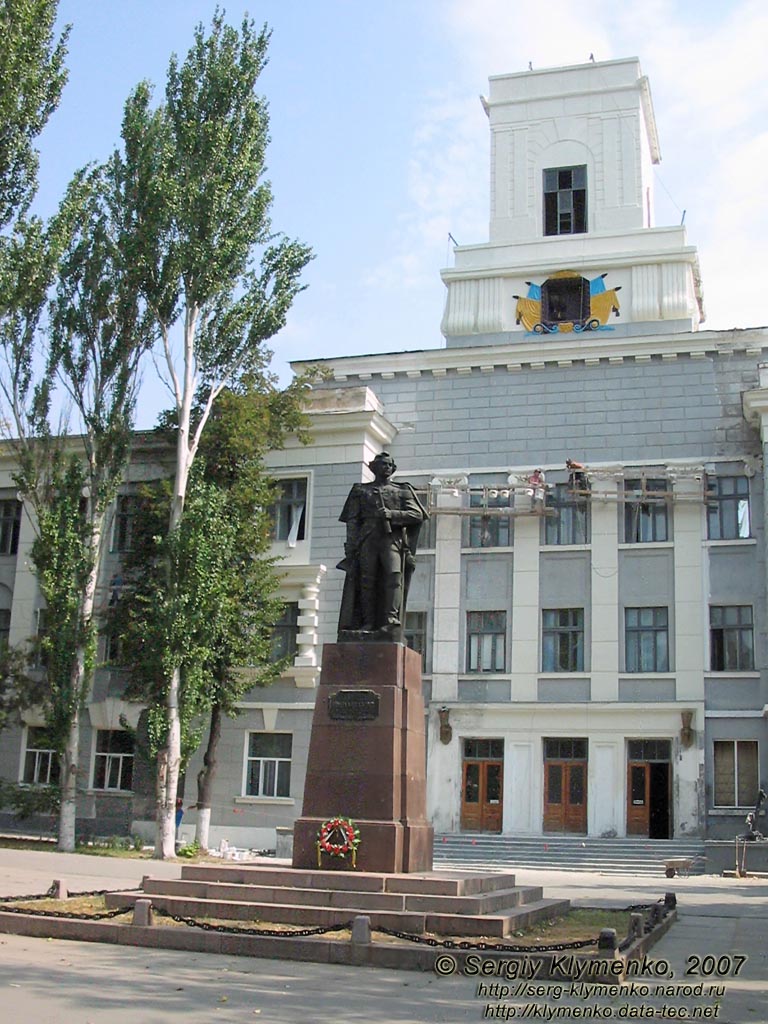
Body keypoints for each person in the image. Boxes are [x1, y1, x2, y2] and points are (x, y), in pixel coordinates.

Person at [337, 452, 428, 639]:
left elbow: (416, 515)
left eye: (389, 465)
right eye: (382, 464)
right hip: (367, 539)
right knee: (366, 581)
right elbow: (352, 521)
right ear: (373, 468)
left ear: (393, 469)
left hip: (391, 539)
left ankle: (390, 619)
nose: (386, 467)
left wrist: (391, 514)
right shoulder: (360, 491)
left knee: (394, 576)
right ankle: (368, 622)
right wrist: (351, 546)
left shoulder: (402, 490)